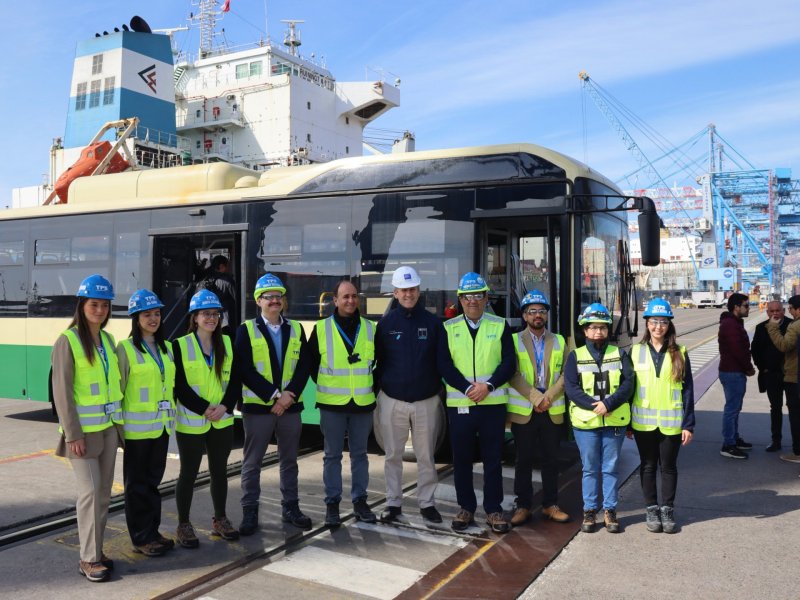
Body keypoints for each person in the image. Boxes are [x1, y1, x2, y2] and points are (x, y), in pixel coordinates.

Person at [51, 274, 124, 582]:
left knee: (104, 495)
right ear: (82, 305)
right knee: (90, 493)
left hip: (107, 429)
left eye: (105, 305)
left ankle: (95, 549)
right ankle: (88, 559)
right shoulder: (67, 341)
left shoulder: (107, 341)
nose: (99, 310)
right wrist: (73, 434)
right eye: (94, 304)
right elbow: (62, 391)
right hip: (82, 434)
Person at [438, 272, 515, 534]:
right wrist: (468, 388)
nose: (473, 301)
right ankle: (466, 508)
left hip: (492, 404)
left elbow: (508, 363)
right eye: (467, 296)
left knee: (493, 459)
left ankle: (493, 510)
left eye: (478, 295)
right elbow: (444, 365)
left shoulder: (500, 325)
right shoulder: (448, 328)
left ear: (486, 298)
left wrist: (488, 386)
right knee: (461, 460)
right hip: (461, 405)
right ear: (460, 299)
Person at [235, 274, 312, 535]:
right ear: (258, 301)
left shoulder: (296, 329)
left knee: (289, 460)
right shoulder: (245, 330)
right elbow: (244, 369)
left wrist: (289, 395)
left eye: (279, 296)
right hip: (259, 408)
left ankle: (291, 507)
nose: (275, 300)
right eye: (269, 297)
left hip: (290, 407)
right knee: (252, 462)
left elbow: (304, 366)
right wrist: (274, 396)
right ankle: (250, 511)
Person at [374, 266, 445, 525]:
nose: (408, 294)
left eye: (412, 289)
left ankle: (427, 504)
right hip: (393, 400)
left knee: (426, 455)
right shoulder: (385, 324)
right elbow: (379, 361)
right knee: (392, 454)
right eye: (404, 290)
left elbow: (441, 362)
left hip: (426, 401)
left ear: (419, 291)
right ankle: (393, 503)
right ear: (395, 292)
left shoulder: (433, 323)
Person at [173, 289, 241, 548]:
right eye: (206, 314)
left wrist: (224, 406)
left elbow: (235, 381)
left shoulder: (228, 344)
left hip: (222, 419)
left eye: (216, 314)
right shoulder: (180, 345)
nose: (212, 318)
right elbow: (179, 385)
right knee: (188, 473)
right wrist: (204, 408)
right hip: (192, 419)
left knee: (219, 472)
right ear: (195, 316)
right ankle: (183, 524)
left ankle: (220, 519)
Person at [308, 280, 378, 527]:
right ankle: (332, 506)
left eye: (354, 296)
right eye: (345, 297)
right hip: (332, 405)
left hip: (362, 403)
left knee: (360, 455)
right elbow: (311, 364)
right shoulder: (321, 328)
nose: (350, 301)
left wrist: (371, 388)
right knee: (332, 456)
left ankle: (360, 502)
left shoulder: (370, 328)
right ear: (335, 301)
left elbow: (378, 365)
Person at [564, 303, 634, 534]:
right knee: (590, 468)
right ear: (584, 330)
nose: (598, 332)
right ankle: (590, 511)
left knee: (611, 468)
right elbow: (572, 388)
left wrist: (609, 404)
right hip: (586, 423)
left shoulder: (619, 353)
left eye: (602, 328)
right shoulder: (576, 356)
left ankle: (610, 510)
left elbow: (628, 383)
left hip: (614, 422)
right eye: (593, 328)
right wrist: (596, 406)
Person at [117, 289, 176, 557]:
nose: (153, 319)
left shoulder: (166, 348)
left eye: (156, 313)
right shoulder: (125, 349)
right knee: (136, 485)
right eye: (146, 314)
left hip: (161, 428)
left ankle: (152, 531)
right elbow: (118, 390)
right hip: (137, 431)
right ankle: (140, 537)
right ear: (135, 318)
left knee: (152, 484)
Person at [630, 299, 695, 534]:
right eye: (654, 321)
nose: (659, 326)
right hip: (643, 421)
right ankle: (651, 508)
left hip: (672, 422)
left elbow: (688, 390)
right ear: (647, 323)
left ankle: (667, 509)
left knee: (668, 467)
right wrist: (627, 422)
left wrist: (688, 424)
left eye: (663, 322)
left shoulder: (680, 352)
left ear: (669, 325)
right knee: (647, 466)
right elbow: (629, 389)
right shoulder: (635, 352)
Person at [508, 290, 570, 526]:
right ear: (524, 316)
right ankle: (523, 506)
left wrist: (549, 397)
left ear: (547, 315)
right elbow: (512, 373)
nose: (537, 315)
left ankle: (550, 505)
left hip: (551, 409)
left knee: (551, 460)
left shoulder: (560, 340)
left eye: (541, 311)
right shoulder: (514, 341)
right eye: (532, 311)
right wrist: (536, 398)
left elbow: (567, 374)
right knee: (522, 460)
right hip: (525, 411)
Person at [718, 293, 756, 459]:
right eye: (746, 305)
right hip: (732, 372)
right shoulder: (730, 325)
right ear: (736, 307)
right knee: (732, 409)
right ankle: (728, 444)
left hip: (733, 371)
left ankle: (733, 438)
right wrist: (748, 368)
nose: (749, 308)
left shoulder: (733, 323)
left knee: (734, 407)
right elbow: (737, 350)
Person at [752, 300, 792, 452]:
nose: (775, 313)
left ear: (784, 311)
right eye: (772, 311)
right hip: (771, 374)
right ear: (767, 312)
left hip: (790, 374)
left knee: (794, 408)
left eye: (778, 310)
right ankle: (776, 440)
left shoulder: (791, 325)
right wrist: (763, 368)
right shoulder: (761, 328)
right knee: (775, 408)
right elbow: (755, 350)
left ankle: (797, 443)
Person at [765, 295, 800, 463]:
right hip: (780, 375)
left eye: (790, 309)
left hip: (793, 376)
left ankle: (798, 452)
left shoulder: (794, 326)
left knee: (795, 416)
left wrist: (772, 328)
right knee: (778, 408)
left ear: (793, 309)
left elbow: (784, 346)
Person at [198, 255, 238, 336]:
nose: (229, 268)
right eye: (228, 266)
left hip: (209, 318)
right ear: (221, 266)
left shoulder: (204, 278)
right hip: (226, 320)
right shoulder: (227, 281)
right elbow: (237, 299)